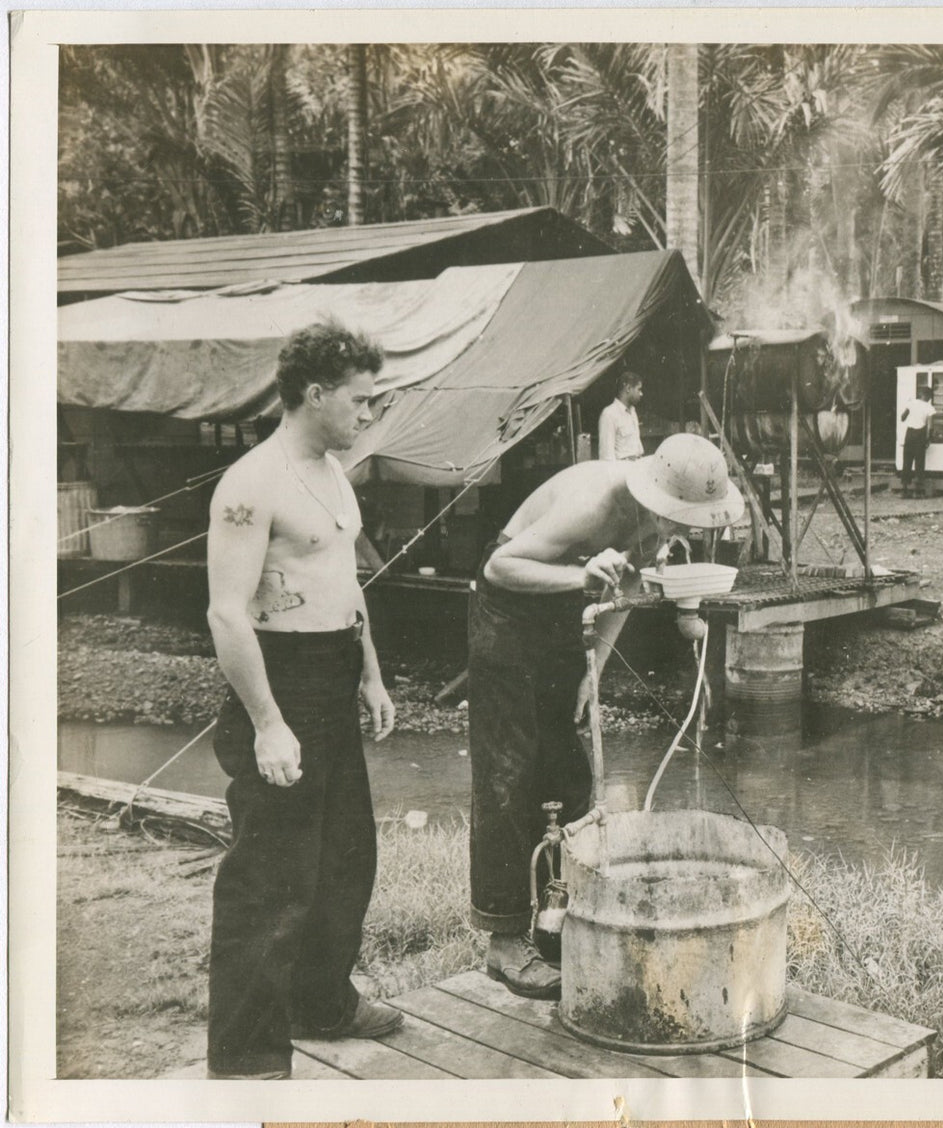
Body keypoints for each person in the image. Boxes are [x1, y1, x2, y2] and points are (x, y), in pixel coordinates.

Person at [468, 432, 743, 999]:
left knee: (567, 768)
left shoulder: (655, 522)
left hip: (567, 612)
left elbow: (629, 585)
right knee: (509, 769)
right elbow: (500, 567)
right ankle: (502, 940)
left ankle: (555, 921)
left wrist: (593, 670)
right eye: (681, 519)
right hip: (510, 609)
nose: (686, 531)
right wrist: (580, 577)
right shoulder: (596, 500)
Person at [204, 321, 402, 1080]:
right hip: (277, 680)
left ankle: (322, 1001)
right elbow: (227, 612)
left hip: (333, 670)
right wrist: (267, 724)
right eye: (360, 400)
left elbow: (343, 584)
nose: (369, 413)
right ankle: (247, 1060)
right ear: (315, 394)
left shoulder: (331, 469)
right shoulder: (251, 486)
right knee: (271, 878)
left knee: (345, 857)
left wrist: (371, 674)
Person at [597, 370, 645, 460]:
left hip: (637, 468)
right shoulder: (609, 414)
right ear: (628, 388)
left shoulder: (632, 412)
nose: (641, 394)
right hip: (622, 471)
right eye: (639, 389)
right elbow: (606, 457)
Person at [899, 388, 937, 498]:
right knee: (919, 461)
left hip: (909, 433)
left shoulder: (911, 403)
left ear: (920, 395)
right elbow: (930, 425)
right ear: (928, 397)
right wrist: (929, 438)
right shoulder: (929, 407)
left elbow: (902, 417)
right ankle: (918, 491)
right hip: (920, 434)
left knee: (907, 460)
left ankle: (904, 489)